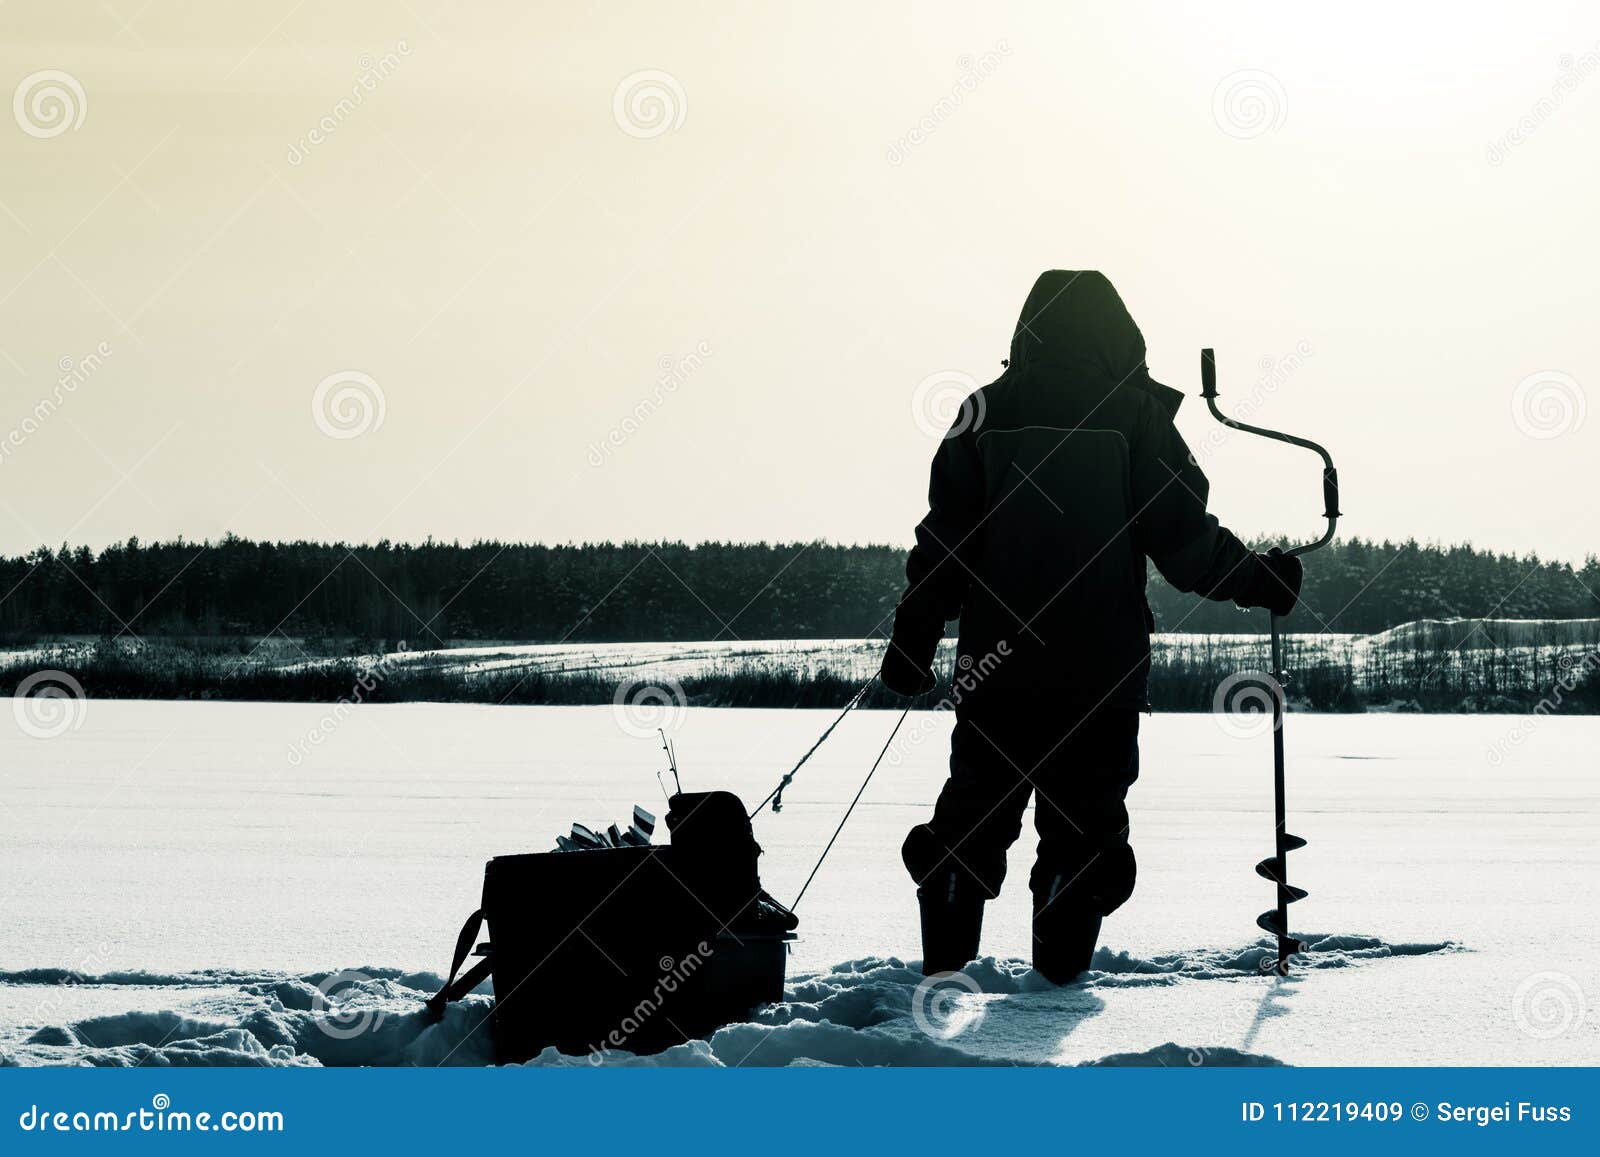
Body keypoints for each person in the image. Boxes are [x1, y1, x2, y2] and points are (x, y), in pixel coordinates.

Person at [881, 271, 1302, 984]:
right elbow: (1184, 542)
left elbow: (945, 541)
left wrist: (915, 631)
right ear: (1121, 336)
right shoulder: (1134, 417)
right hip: (1098, 672)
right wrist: (1258, 578)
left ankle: (944, 972)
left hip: (998, 673)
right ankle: (1054, 994)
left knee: (972, 817)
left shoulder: (983, 413)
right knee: (1084, 830)